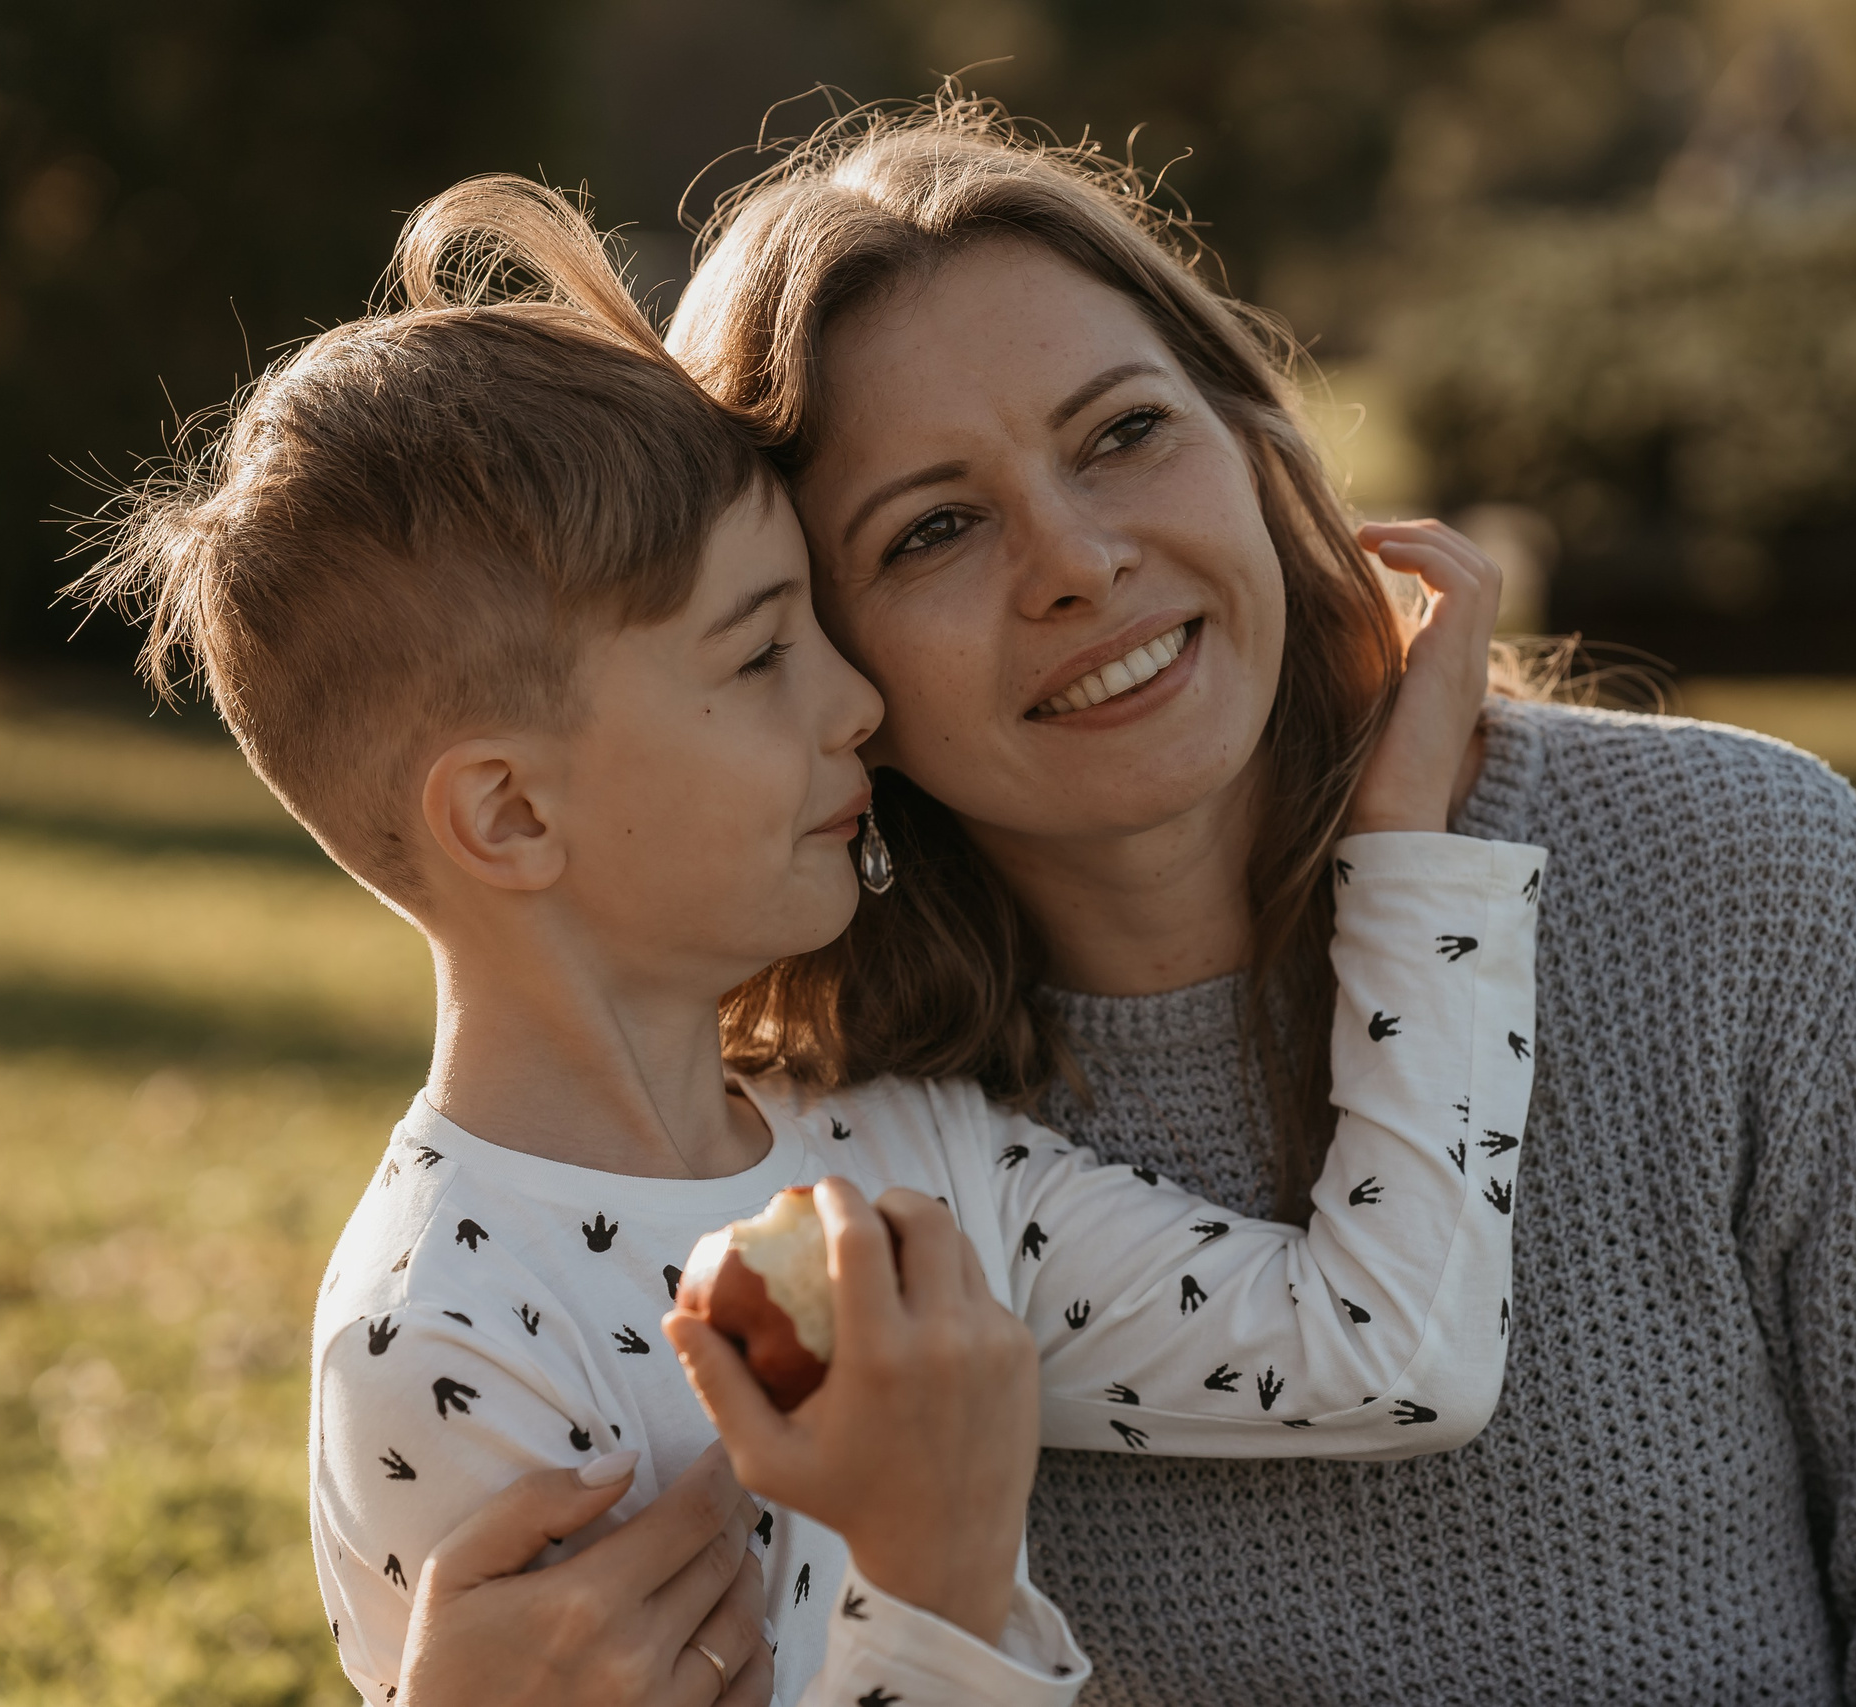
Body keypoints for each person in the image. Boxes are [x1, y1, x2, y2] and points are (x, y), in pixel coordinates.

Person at [400, 98, 1856, 1704]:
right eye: (930, 532)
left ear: (1258, 441)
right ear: (814, 662)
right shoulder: (816, 1189)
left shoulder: (1737, 877)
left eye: (1124, 435)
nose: (1079, 563)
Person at [79, 174, 1547, 1707]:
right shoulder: (445, 1342)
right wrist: (936, 1581)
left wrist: (1405, 858)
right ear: (509, 816)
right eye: (764, 650)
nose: (856, 703)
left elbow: (1389, 1353)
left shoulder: (904, 1156)